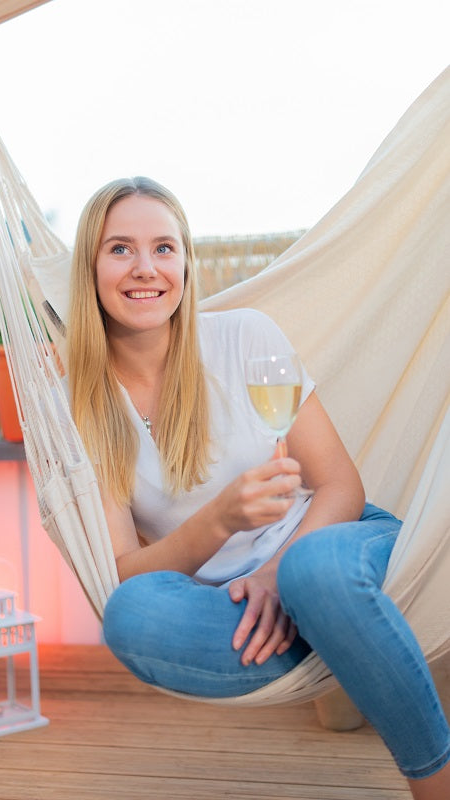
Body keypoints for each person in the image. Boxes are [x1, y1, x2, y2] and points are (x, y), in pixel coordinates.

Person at [67, 176, 450, 799]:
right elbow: (126, 573)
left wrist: (280, 570)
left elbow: (338, 485)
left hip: (331, 543)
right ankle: (349, 638)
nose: (146, 268)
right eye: (120, 248)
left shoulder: (245, 337)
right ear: (90, 265)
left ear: (186, 264)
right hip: (233, 612)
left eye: (164, 247)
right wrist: (218, 522)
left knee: (315, 576)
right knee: (130, 616)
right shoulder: (81, 410)